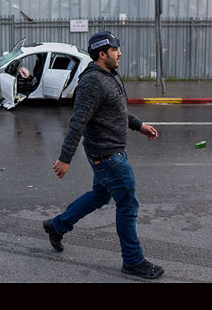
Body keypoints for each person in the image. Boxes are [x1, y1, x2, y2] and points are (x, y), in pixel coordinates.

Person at [43, 30, 164, 280]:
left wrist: (138, 125)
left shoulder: (109, 76)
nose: (119, 53)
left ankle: (57, 225)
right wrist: (65, 158)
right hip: (108, 156)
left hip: (111, 152)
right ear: (102, 54)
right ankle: (133, 261)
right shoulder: (92, 82)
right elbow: (77, 122)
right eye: (115, 50)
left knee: (99, 195)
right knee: (128, 205)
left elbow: (116, 112)